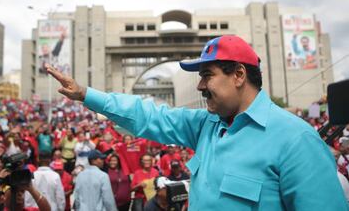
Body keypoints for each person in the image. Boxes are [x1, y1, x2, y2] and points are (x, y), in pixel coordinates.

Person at [46, 34, 348, 210]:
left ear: (239, 75)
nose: (201, 86)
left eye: (207, 75)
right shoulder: (207, 125)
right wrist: (87, 95)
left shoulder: (296, 140)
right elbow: (148, 115)